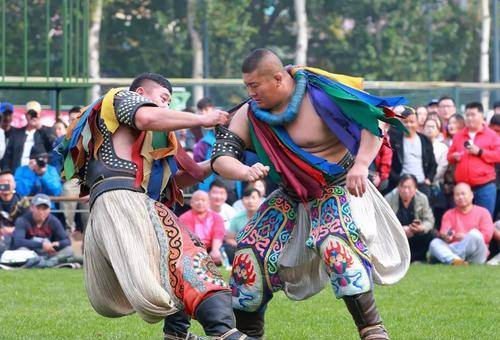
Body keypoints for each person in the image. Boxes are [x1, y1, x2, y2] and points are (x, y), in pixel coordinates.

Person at [211, 49, 410, 339]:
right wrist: (244, 172)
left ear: (278, 78)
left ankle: (372, 330)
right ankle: (247, 335)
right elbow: (221, 156)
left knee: (335, 246)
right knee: (248, 255)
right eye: (247, 86)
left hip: (338, 185)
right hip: (290, 193)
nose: (250, 92)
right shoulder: (249, 113)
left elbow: (375, 119)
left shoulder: (320, 92)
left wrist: (362, 164)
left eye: (255, 85)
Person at [57, 72, 249, 339]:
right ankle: (224, 332)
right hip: (123, 200)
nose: (165, 106)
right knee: (189, 256)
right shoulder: (120, 97)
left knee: (170, 267)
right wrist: (203, 119)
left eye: (169, 102)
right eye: (163, 98)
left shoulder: (150, 138)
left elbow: (176, 182)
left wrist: (220, 158)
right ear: (142, 94)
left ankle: (176, 334)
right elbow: (147, 117)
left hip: (121, 204)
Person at [447, 102, 500, 216]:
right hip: (463, 187)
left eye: (473, 114)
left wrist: (480, 152)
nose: (470, 118)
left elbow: (498, 155)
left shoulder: (492, 135)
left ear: (481, 116)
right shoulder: (459, 135)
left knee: (483, 220)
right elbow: (449, 156)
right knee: (462, 221)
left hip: (485, 186)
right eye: (467, 115)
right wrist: (454, 156)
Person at [429, 183, 494, 265]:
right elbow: (446, 232)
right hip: (455, 247)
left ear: (471, 195)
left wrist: (465, 237)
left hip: (476, 254)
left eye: (463, 194)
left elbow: (487, 236)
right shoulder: (448, 214)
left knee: (475, 234)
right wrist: (447, 236)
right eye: (457, 195)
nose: (460, 197)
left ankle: (453, 258)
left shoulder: (483, 212)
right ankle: (456, 261)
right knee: (435, 243)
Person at [388, 106, 437, 197]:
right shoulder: (394, 141)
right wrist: (397, 179)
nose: (409, 125)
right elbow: (389, 163)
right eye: (405, 122)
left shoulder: (425, 140)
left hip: (421, 184)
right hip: (400, 185)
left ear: (418, 123)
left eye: (412, 122)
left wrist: (429, 179)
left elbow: (432, 163)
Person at [385, 174, 435, 262]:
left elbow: (429, 220)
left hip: (414, 233)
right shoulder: (389, 198)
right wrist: (400, 230)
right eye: (403, 187)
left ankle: (418, 259)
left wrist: (421, 228)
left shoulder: (422, 198)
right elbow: (383, 222)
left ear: (415, 188)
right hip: (396, 234)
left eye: (409, 187)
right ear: (398, 187)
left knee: (429, 235)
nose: (406, 191)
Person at [2, 101, 55, 172]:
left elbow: (53, 146)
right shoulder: (16, 134)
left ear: (39, 115)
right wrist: (7, 172)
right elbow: (7, 156)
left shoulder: (47, 131)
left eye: (35, 114)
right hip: (19, 173)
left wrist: (39, 128)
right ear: (26, 115)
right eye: (30, 113)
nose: (33, 116)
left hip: (40, 173)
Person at [179, 190, 226, 264]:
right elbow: (189, 238)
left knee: (227, 250)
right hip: (192, 248)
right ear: (191, 203)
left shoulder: (217, 217)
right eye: (197, 200)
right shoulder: (184, 217)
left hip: (212, 248)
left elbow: (218, 235)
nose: (200, 203)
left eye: (203, 200)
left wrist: (215, 250)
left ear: (208, 203)